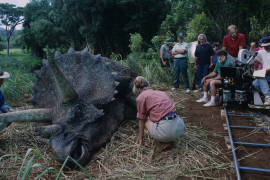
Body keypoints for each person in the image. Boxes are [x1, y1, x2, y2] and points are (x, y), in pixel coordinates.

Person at [133, 76, 185, 146]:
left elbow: (141, 120)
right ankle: (170, 138)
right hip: (180, 127)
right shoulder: (160, 92)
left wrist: (140, 140)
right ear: (148, 85)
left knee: (145, 120)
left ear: (136, 88)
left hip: (168, 132)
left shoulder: (141, 97)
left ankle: (164, 141)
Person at [252, 36, 270, 105]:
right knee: (254, 84)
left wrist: (262, 72)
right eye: (264, 46)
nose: (265, 47)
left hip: (268, 73)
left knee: (259, 75)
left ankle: (268, 96)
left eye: (267, 46)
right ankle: (266, 96)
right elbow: (251, 56)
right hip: (265, 74)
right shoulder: (261, 52)